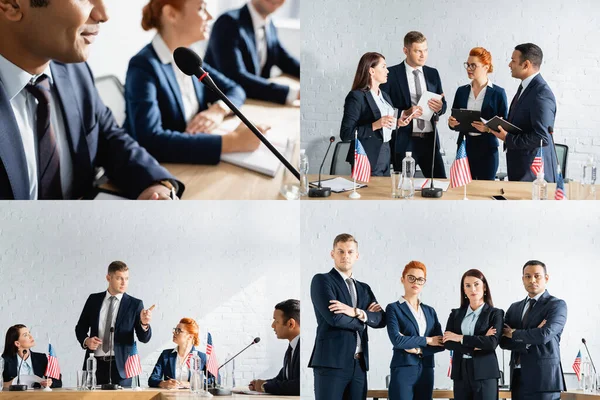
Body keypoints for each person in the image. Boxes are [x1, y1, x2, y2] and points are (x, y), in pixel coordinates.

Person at [0, 0, 182, 200]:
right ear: (11, 4)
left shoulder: (72, 69)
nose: (103, 14)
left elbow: (109, 137)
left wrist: (155, 185)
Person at [125, 0, 267, 166]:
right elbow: (151, 141)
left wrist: (218, 110)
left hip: (191, 164)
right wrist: (232, 142)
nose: (210, 16)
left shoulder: (188, 58)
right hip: (161, 169)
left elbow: (235, 89)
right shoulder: (143, 66)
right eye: (201, 8)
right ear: (171, 14)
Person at [309, 233, 386, 400]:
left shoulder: (364, 289)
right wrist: (363, 320)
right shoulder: (322, 281)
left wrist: (356, 312)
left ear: (357, 256)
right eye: (341, 251)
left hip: (359, 365)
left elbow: (381, 319)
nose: (345, 256)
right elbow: (334, 319)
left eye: (350, 252)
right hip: (331, 364)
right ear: (332, 254)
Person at [204, 0, 300, 105]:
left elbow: (285, 60)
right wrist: (293, 93)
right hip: (223, 105)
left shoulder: (269, 24)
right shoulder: (228, 22)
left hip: (252, 102)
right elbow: (236, 78)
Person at [75, 261, 153, 387]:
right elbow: (80, 328)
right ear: (108, 278)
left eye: (126, 278)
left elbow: (144, 338)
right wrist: (86, 341)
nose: (124, 282)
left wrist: (144, 323)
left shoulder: (135, 304)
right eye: (119, 278)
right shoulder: (93, 300)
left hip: (121, 368)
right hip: (95, 365)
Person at [488, 43, 558, 182]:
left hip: (533, 174)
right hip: (521, 168)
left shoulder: (541, 93)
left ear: (526, 64)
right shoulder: (525, 87)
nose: (509, 64)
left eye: (513, 61)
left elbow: (542, 137)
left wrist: (507, 138)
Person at [381, 31, 447, 176]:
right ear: (406, 51)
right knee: (403, 185)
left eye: (425, 50)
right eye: (418, 51)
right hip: (405, 140)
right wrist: (405, 112)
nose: (423, 55)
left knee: (439, 181)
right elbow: (382, 107)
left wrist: (441, 107)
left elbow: (442, 102)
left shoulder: (433, 73)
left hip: (430, 139)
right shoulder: (391, 74)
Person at [500, 260, 567, 400]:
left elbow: (544, 335)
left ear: (546, 278)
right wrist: (531, 335)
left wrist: (513, 333)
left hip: (545, 381)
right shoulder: (514, 308)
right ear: (523, 279)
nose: (532, 280)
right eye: (528, 276)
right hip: (518, 379)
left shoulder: (556, 305)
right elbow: (503, 341)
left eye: (537, 276)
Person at [340, 52, 412, 176]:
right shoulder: (356, 97)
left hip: (386, 152)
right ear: (371, 71)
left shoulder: (384, 96)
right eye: (383, 67)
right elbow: (346, 134)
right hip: (366, 156)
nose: (387, 71)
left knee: (383, 193)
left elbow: (385, 126)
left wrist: (398, 123)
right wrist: (375, 125)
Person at [385, 261, 444, 400]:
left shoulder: (430, 311)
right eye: (411, 277)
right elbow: (397, 340)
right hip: (403, 368)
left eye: (420, 279)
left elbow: (441, 342)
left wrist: (418, 349)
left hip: (427, 368)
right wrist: (428, 340)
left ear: (424, 282)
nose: (415, 282)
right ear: (403, 279)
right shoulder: (393, 308)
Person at [443, 269, 504, 400]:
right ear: (464, 290)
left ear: (484, 287)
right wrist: (476, 345)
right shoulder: (456, 314)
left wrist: (460, 338)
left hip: (485, 372)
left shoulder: (495, 313)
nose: (473, 289)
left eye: (476, 284)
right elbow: (447, 342)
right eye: (468, 285)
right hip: (460, 372)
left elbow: (491, 343)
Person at [447, 47, 507, 180]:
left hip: (487, 149)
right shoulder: (461, 91)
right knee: (462, 186)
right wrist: (451, 123)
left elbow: (505, 125)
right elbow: (454, 121)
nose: (469, 68)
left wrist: (487, 129)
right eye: (467, 65)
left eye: (473, 65)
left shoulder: (498, 93)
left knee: (484, 189)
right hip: (465, 146)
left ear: (486, 67)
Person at [249, 299, 300, 395]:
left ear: (291, 324)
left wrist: (264, 386)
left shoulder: (304, 349)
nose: (272, 326)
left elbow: (299, 385)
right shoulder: (292, 347)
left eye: (276, 321)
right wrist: (261, 383)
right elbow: (282, 378)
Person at [148, 318, 207, 388]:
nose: (174, 332)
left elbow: (215, 380)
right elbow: (152, 379)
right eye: (175, 330)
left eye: (178, 330)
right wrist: (163, 383)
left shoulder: (201, 357)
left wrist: (191, 384)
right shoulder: (166, 355)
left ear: (190, 337)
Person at [1, 325, 62, 389]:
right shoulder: (4, 360)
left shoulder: (41, 358)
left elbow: (58, 382)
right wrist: (10, 384)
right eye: (25, 335)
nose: (31, 336)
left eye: (29, 333)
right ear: (17, 343)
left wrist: (49, 383)